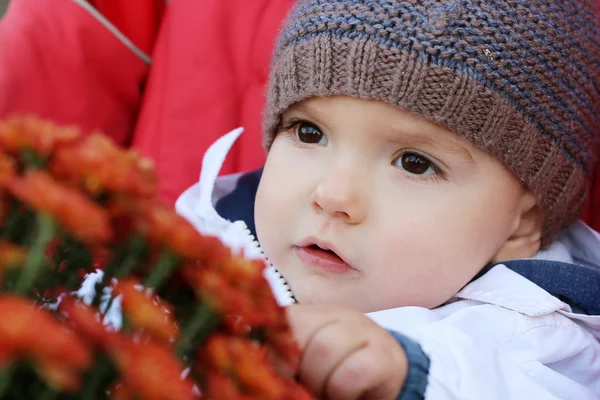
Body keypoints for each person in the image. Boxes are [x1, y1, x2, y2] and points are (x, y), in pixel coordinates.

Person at [176, 0, 600, 398]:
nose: (333, 196)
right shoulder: (189, 247)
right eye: (309, 132)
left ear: (520, 225)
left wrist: (407, 375)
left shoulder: (534, 344)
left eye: (414, 163)